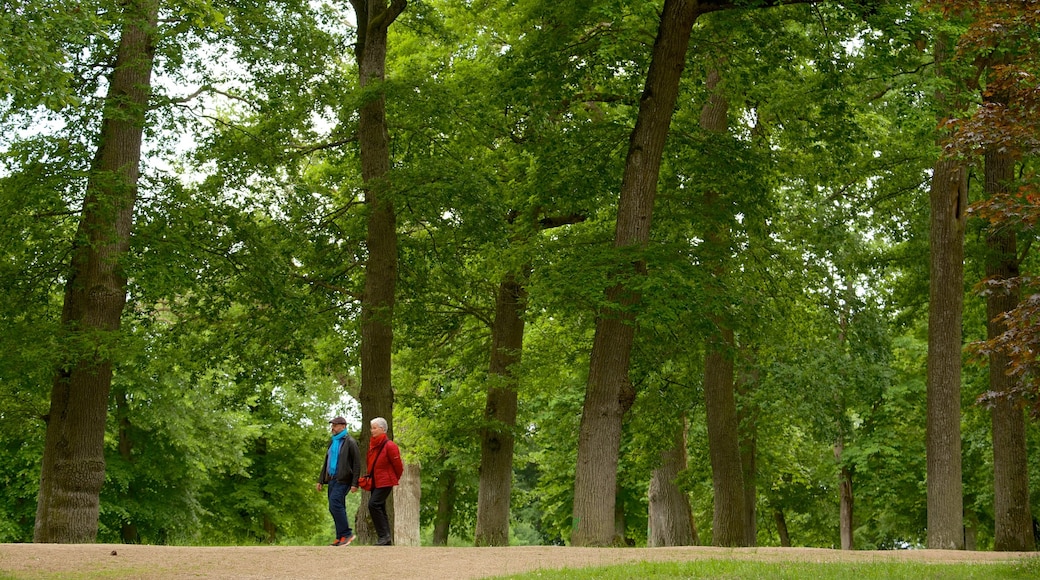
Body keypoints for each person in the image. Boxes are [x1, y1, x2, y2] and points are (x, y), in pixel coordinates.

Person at [317, 416, 361, 546]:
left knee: (335, 504)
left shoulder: (350, 442)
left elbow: (357, 464)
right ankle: (340, 537)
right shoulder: (333, 442)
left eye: (335, 426)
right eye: (332, 425)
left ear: (343, 426)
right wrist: (320, 480)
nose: (333, 428)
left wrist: (355, 483)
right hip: (331, 479)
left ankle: (347, 534)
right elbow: (327, 462)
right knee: (335, 507)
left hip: (344, 479)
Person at [366, 416, 404, 546]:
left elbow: (398, 465)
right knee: (380, 506)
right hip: (375, 481)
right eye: (372, 428)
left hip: (385, 481)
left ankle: (384, 536)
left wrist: (393, 478)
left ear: (382, 429)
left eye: (374, 428)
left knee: (373, 504)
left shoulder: (390, 446)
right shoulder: (374, 446)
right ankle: (386, 538)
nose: (372, 430)